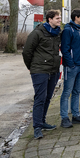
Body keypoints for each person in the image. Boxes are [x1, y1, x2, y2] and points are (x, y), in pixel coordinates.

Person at [22, 9, 62, 139]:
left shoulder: (57, 33)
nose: (59, 20)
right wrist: (32, 67)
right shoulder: (37, 33)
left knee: (48, 97)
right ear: (49, 19)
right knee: (40, 98)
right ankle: (37, 127)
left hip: (54, 70)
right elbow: (27, 51)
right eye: (57, 18)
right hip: (40, 70)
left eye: (59, 18)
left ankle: (43, 121)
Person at [59, 9, 80, 128]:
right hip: (72, 67)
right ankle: (64, 118)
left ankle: (76, 115)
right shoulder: (68, 30)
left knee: (76, 91)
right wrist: (71, 64)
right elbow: (65, 49)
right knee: (67, 92)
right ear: (76, 17)